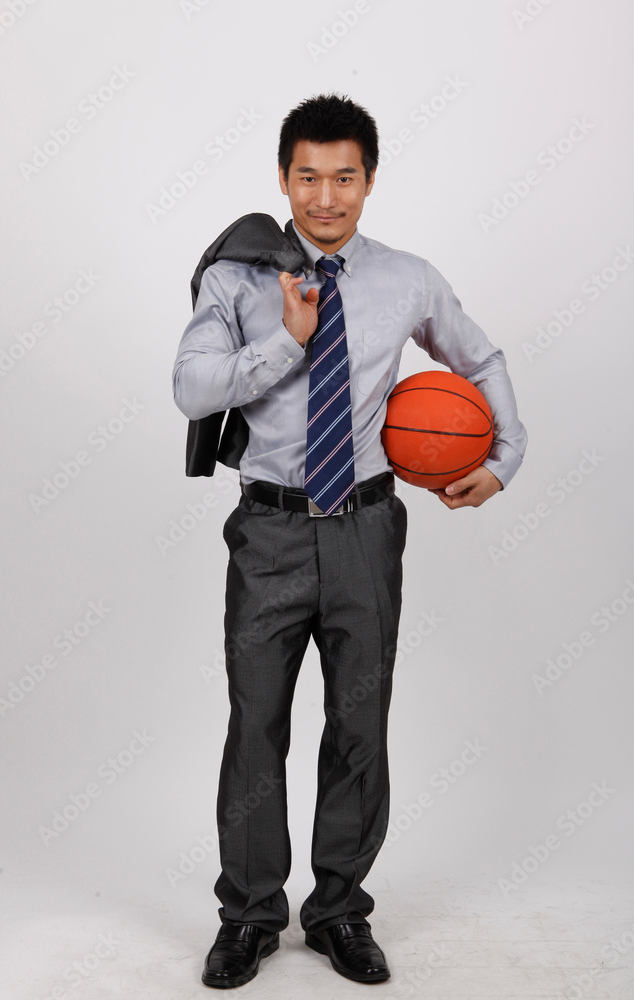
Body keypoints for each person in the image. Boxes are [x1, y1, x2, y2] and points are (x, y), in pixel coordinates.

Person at [172, 93, 527, 989]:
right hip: (269, 532)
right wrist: (284, 346)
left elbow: (478, 360)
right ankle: (248, 915)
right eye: (306, 177)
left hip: (367, 528)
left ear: (368, 180)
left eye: (344, 177)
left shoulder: (406, 278)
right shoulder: (236, 277)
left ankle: (337, 912)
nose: (324, 196)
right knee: (256, 726)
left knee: (357, 725)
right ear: (282, 178)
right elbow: (190, 387)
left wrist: (504, 457)